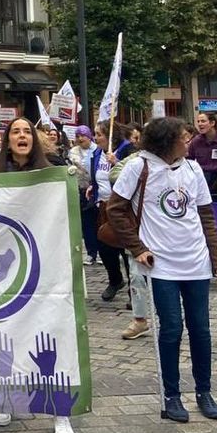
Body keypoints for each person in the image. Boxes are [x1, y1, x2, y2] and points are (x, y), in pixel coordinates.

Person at [107, 117, 217, 424]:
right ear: (166, 142)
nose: (188, 143)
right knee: (172, 327)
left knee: (201, 329)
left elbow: (207, 217)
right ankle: (171, 395)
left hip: (196, 261)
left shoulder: (193, 169)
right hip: (161, 264)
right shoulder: (138, 167)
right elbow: (115, 209)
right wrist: (137, 247)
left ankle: (204, 392)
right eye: (183, 138)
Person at [0, 115, 75, 433]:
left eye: (27, 131)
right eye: (16, 131)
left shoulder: (53, 172)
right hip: (9, 270)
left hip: (48, 266)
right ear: (8, 140)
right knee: (6, 335)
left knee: (51, 337)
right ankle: (5, 397)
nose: (22, 135)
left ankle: (60, 410)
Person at [109, 125, 152, 340]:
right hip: (139, 228)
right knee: (136, 276)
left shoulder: (178, 164)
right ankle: (140, 319)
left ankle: (170, 318)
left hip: (167, 234)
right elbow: (114, 174)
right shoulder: (135, 161)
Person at [92, 124, 123, 301]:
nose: (95, 138)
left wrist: (117, 163)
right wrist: (93, 187)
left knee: (124, 248)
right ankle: (115, 280)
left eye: (99, 134)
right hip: (103, 206)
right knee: (104, 247)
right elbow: (97, 176)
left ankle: (135, 290)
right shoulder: (97, 153)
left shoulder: (126, 150)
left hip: (121, 208)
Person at [67, 126, 102, 265]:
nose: (80, 139)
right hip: (81, 190)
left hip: (96, 189)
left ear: (89, 136)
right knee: (87, 224)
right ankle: (91, 252)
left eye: (83, 135)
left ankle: (101, 252)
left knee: (98, 222)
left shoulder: (97, 150)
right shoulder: (73, 152)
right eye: (78, 136)